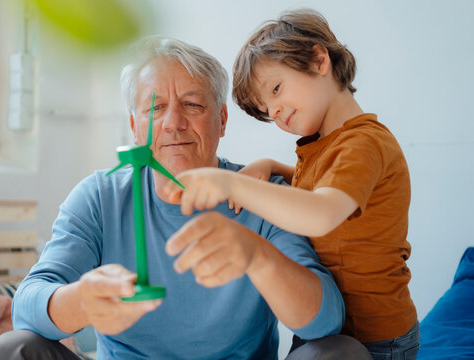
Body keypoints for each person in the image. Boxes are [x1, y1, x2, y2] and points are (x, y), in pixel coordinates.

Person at [0, 36, 371, 360]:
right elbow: (26, 308)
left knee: (341, 352)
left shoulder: (262, 195)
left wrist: (256, 255)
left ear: (221, 120)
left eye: (192, 104)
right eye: (155, 107)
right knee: (13, 349)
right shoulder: (99, 197)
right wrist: (80, 301)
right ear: (134, 127)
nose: (172, 123)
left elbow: (325, 323)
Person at [163, 9, 419, 359]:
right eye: (267, 110)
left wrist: (230, 184)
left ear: (318, 60)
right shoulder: (325, 144)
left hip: (376, 337)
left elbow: (321, 213)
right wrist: (272, 167)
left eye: (277, 89)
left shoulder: (362, 143)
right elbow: (319, 188)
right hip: (329, 330)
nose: (277, 112)